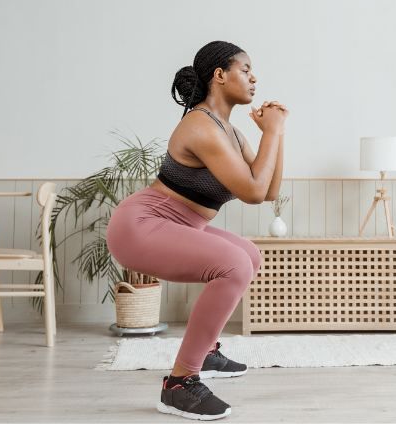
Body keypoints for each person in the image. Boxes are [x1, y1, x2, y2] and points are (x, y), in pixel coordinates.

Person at [105, 40, 288, 420]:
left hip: (179, 224)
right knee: (235, 265)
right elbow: (253, 192)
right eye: (245, 69)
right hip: (142, 225)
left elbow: (269, 190)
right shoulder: (200, 126)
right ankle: (179, 384)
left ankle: (204, 352)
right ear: (219, 75)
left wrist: (277, 134)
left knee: (248, 256)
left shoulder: (231, 133)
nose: (254, 78)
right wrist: (271, 132)